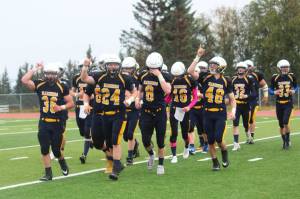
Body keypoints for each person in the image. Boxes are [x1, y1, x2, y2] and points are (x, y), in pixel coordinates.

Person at [81, 55, 136, 180]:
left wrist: (131, 100)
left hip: (118, 113)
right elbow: (84, 79)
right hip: (102, 114)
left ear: (119, 65)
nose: (113, 67)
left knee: (115, 141)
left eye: (115, 64)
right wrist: (85, 66)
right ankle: (116, 163)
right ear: (105, 65)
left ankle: (114, 168)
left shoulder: (124, 78)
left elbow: (135, 91)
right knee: (103, 142)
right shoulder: (98, 77)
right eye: (110, 64)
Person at [21, 62, 74, 181]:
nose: (50, 76)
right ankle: (48, 174)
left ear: (57, 74)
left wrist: (61, 108)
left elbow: (71, 103)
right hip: (44, 121)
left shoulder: (62, 86)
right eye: (48, 73)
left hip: (57, 122)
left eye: (52, 73)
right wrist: (35, 68)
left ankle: (62, 162)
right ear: (44, 73)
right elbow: (24, 80)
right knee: (44, 148)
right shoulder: (40, 84)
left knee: (56, 150)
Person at [188, 48, 236, 171]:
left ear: (221, 67)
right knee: (210, 141)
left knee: (219, 139)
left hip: (220, 114)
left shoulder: (226, 80)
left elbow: (231, 98)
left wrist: (233, 111)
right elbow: (190, 71)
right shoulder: (205, 77)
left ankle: (224, 154)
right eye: (211, 64)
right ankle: (215, 162)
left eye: (214, 65)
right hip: (207, 113)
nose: (212, 66)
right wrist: (198, 56)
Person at [135, 52, 171, 175]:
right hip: (146, 111)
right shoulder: (143, 75)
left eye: (155, 68)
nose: (152, 70)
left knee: (160, 141)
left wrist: (159, 75)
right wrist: (137, 99)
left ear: (160, 67)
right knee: (145, 140)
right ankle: (151, 154)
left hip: (160, 112)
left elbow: (168, 90)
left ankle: (160, 164)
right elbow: (140, 90)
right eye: (150, 67)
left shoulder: (165, 75)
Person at [166, 61, 198, 163]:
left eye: (178, 75)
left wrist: (189, 106)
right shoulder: (172, 80)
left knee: (185, 134)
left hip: (185, 110)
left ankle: (186, 147)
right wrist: (163, 103)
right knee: (174, 133)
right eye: (175, 75)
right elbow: (169, 96)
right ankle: (174, 155)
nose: (177, 77)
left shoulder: (190, 80)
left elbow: (195, 98)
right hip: (174, 109)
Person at [269, 59, 297, 149]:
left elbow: (296, 86)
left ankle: (287, 140)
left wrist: (294, 90)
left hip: (288, 103)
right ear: (279, 68)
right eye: (283, 67)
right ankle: (284, 141)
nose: (285, 69)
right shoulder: (275, 77)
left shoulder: (292, 76)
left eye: (287, 67)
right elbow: (270, 89)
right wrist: (274, 92)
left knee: (285, 122)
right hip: (279, 103)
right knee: (281, 124)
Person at [71, 63, 93, 163]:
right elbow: (71, 91)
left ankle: (84, 154)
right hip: (79, 106)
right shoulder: (76, 78)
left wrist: (90, 96)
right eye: (81, 67)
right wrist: (76, 94)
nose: (82, 69)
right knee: (82, 131)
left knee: (87, 131)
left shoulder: (92, 78)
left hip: (88, 106)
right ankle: (90, 140)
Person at [231, 62, 256, 151]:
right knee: (235, 123)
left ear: (245, 69)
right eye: (239, 68)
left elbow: (254, 93)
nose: (240, 69)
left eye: (242, 68)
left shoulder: (249, 79)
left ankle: (248, 135)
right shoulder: (233, 80)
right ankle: (236, 143)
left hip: (245, 105)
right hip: (236, 105)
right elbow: (230, 92)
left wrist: (247, 96)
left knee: (246, 124)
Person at [120, 57, 140, 165]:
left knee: (130, 133)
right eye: (125, 68)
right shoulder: (120, 78)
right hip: (123, 110)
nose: (127, 70)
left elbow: (139, 93)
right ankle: (135, 144)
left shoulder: (137, 79)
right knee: (124, 136)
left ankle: (130, 156)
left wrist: (137, 100)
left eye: (129, 68)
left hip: (133, 110)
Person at [245, 60, 268, 143]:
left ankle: (251, 137)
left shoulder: (257, 75)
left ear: (252, 66)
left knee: (252, 118)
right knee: (246, 119)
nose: (248, 67)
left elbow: (264, 85)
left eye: (249, 65)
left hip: (253, 100)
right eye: (246, 65)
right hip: (243, 101)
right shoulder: (239, 76)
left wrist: (266, 95)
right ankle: (248, 136)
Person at [188, 61, 208, 154]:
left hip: (201, 107)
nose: (194, 74)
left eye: (196, 72)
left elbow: (207, 95)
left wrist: (201, 95)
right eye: (193, 72)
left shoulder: (202, 82)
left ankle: (206, 143)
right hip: (192, 109)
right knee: (190, 127)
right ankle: (191, 145)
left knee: (203, 128)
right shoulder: (188, 82)